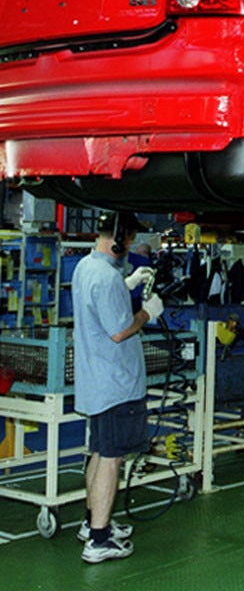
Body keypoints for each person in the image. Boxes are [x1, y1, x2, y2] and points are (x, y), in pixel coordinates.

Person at [73, 211, 163, 564]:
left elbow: (98, 304)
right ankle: (98, 541)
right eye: (128, 239)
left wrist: (127, 284)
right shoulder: (107, 278)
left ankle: (92, 522)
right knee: (112, 459)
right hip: (116, 384)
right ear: (119, 239)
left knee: (99, 450)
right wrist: (148, 312)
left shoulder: (86, 268)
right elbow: (120, 330)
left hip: (96, 382)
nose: (129, 245)